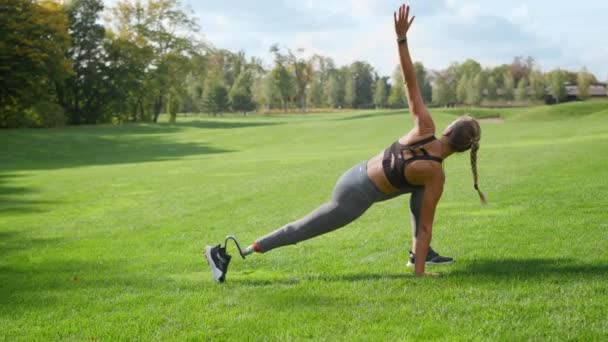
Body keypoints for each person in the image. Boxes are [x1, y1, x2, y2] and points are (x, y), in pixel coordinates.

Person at [204, 4, 486, 282]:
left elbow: (410, 83)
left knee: (417, 193)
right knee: (302, 229)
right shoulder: (435, 176)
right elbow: (425, 227)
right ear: (463, 150)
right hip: (355, 197)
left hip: (355, 173)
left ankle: (420, 255)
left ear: (449, 129)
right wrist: (421, 276)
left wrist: (401, 39)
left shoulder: (424, 128)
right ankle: (229, 252)